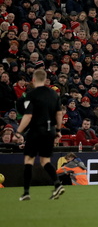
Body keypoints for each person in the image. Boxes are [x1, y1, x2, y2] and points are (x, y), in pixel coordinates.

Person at [16, 69, 65, 201]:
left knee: (29, 160)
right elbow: (59, 114)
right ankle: (57, 185)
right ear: (45, 79)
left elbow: (28, 115)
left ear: (33, 79)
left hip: (36, 130)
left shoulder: (32, 95)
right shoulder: (54, 94)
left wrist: (18, 131)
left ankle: (26, 192)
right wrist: (59, 130)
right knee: (45, 161)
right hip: (50, 131)